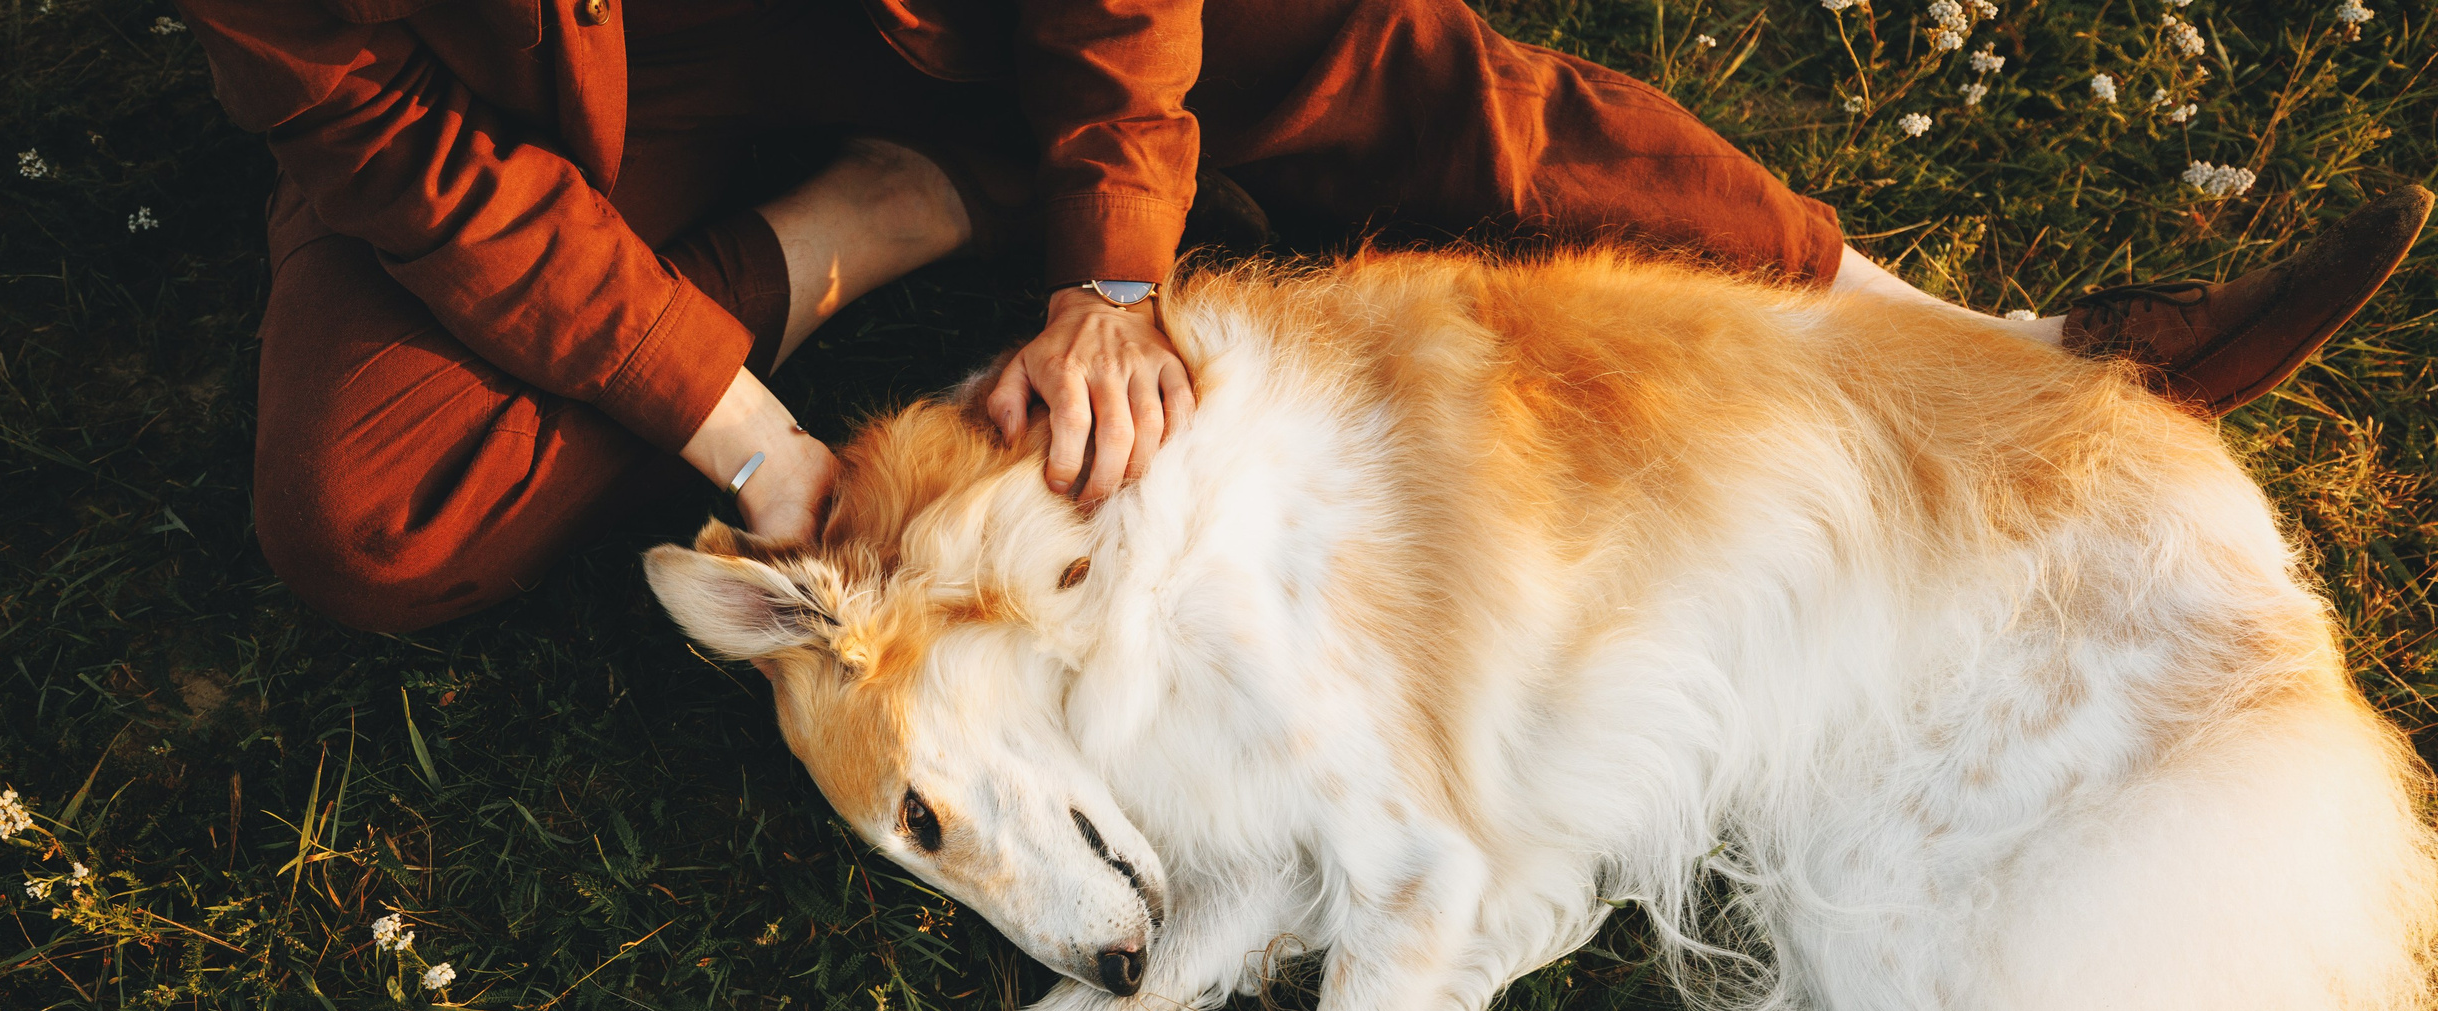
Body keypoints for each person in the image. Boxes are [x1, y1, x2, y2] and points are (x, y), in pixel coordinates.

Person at [179, 0, 2429, 635]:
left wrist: (1104, 265)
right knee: (374, 506)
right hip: (591, 121)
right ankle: (860, 226)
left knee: (1369, 52)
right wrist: (757, 428)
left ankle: (1988, 343)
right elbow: (423, 179)